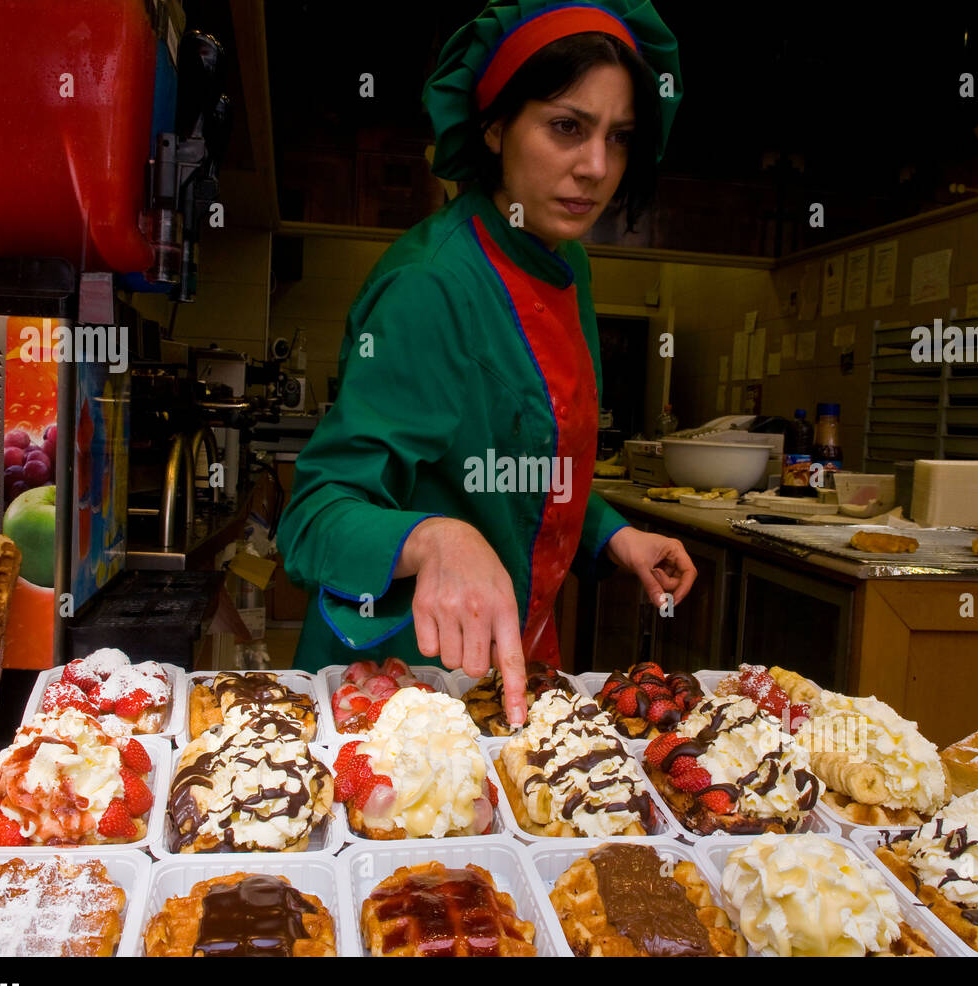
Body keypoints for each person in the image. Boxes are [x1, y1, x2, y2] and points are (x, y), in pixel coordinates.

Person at [277, 0, 695, 725]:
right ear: (497, 125)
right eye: (566, 126)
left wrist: (611, 535)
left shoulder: (566, 266)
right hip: (397, 677)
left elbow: (515, 457)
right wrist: (436, 537)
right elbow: (312, 518)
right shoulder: (431, 285)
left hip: (508, 660)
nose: (596, 167)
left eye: (618, 138)